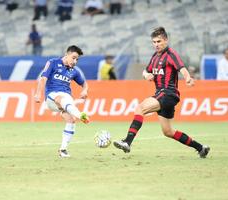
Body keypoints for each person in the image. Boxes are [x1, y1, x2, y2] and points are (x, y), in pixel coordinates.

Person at [113, 27, 210, 158]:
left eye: (159, 41)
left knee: (140, 108)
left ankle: (127, 142)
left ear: (166, 40)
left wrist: (187, 78)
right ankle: (201, 148)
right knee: (168, 131)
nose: (156, 44)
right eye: (154, 42)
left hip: (168, 93)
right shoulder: (154, 56)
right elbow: (146, 71)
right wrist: (146, 75)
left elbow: (182, 68)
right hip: (163, 95)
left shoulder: (171, 54)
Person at [34, 45, 90, 158]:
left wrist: (84, 91)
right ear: (67, 54)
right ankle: (80, 115)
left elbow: (84, 83)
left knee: (71, 120)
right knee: (61, 98)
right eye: (73, 58)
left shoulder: (73, 71)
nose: (75, 61)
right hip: (52, 97)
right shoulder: (53, 62)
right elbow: (43, 78)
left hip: (66, 98)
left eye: (77, 59)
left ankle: (63, 149)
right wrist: (38, 93)